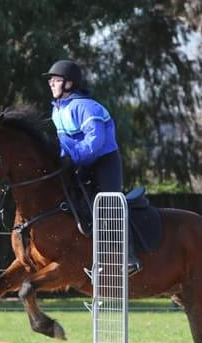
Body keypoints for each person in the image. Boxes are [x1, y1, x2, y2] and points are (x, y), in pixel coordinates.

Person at [43, 59, 142, 276]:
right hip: (80, 161)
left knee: (109, 203)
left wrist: (72, 157)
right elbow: (64, 144)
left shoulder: (86, 107)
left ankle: (129, 257)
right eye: (50, 81)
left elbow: (95, 141)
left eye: (56, 80)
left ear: (69, 84)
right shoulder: (57, 110)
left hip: (104, 161)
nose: (51, 84)